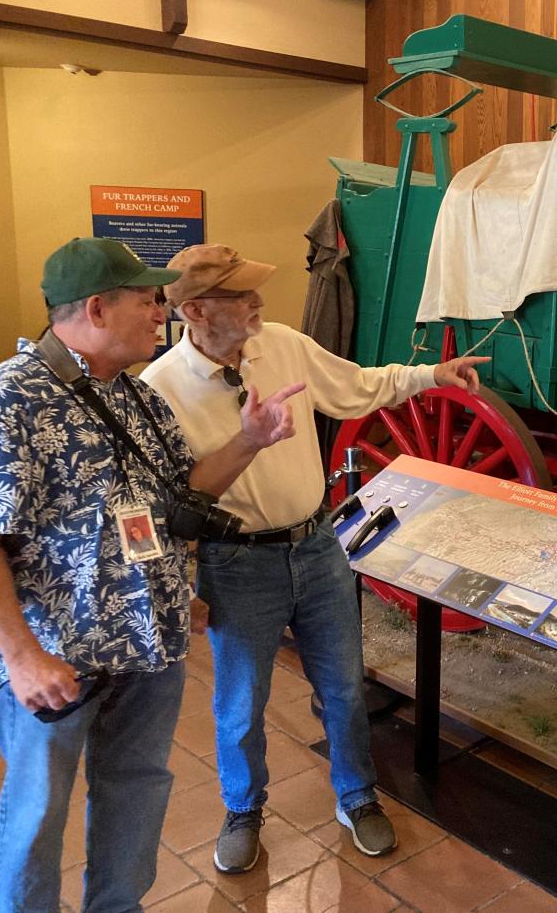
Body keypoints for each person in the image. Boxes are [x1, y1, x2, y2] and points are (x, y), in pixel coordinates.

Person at [0, 237, 305, 913]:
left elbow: (183, 497)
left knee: (137, 793)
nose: (163, 314)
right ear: (96, 307)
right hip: (58, 662)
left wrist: (248, 441)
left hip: (150, 652)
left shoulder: (138, 400)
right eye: (150, 301)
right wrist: (23, 657)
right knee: (37, 817)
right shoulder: (8, 398)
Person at [140, 243, 488, 873]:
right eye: (239, 295)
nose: (257, 303)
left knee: (344, 686)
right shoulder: (159, 390)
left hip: (319, 547)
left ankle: (356, 796)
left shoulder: (283, 344)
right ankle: (242, 809)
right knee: (241, 702)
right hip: (237, 564)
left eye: (254, 292)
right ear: (194, 311)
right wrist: (175, 581)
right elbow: (168, 501)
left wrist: (431, 376)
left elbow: (355, 387)